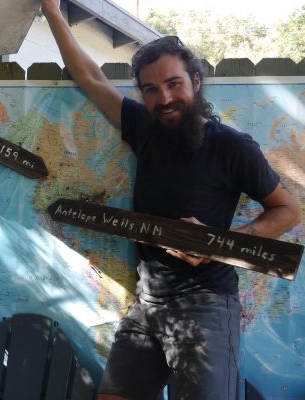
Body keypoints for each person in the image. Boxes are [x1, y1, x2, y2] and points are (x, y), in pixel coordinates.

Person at [40, 1, 301, 399]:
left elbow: (288, 209)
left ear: (195, 81)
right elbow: (89, 76)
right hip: (147, 303)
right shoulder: (144, 128)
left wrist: (215, 244)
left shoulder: (232, 147)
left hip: (206, 305)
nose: (164, 98)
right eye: (151, 89)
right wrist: (53, 11)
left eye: (173, 83)